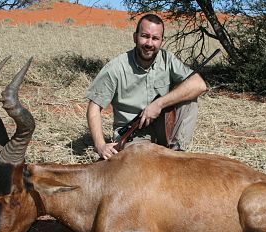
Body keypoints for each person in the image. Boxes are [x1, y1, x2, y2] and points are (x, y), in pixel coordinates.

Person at [86, 14, 207, 160]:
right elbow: (94, 107)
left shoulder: (167, 59)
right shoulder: (115, 68)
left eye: (155, 38)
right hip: (133, 135)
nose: (149, 43)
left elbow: (199, 85)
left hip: (162, 127)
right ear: (135, 37)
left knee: (189, 100)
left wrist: (159, 104)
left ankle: (177, 155)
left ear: (161, 41)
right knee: (142, 162)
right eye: (145, 36)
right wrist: (100, 145)